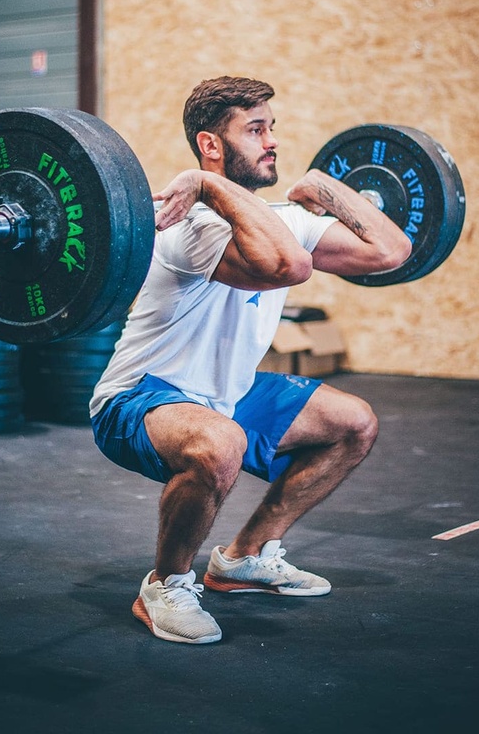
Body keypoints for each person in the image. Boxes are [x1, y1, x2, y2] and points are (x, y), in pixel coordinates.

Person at [90, 76, 411, 645]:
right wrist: (203, 188)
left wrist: (325, 187)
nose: (272, 143)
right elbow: (286, 266)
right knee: (221, 445)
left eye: (272, 129)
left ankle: (244, 557)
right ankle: (165, 583)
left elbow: (392, 251)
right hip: (140, 397)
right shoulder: (187, 225)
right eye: (255, 130)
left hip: (226, 392)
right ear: (211, 144)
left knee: (353, 424)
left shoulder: (282, 219)